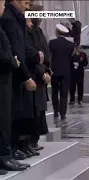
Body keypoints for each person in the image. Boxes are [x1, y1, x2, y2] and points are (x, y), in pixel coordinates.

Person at [1, 0, 38, 163]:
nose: (28, 5)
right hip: (13, 73)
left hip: (16, 71)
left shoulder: (16, 18)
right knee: (10, 115)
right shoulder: (9, 19)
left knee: (15, 113)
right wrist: (25, 75)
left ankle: (12, 150)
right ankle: (9, 151)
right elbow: (13, 49)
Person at [0, 0, 27, 173]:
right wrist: (13, 61)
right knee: (3, 120)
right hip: (2, 77)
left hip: (5, 78)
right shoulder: (8, 21)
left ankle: (5, 156)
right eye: (1, 4)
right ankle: (4, 156)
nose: (3, 8)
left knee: (5, 119)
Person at [25, 9, 51, 152]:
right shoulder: (27, 31)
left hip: (42, 76)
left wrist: (47, 70)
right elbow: (33, 55)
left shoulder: (39, 31)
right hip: (34, 75)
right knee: (33, 110)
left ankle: (34, 140)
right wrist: (42, 73)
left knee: (40, 110)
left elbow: (45, 53)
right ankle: (28, 142)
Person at [49, 24, 75, 120]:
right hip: (66, 71)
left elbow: (49, 56)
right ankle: (63, 113)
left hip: (55, 71)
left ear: (57, 32)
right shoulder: (70, 45)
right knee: (64, 93)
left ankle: (56, 111)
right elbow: (71, 58)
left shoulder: (52, 43)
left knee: (55, 92)